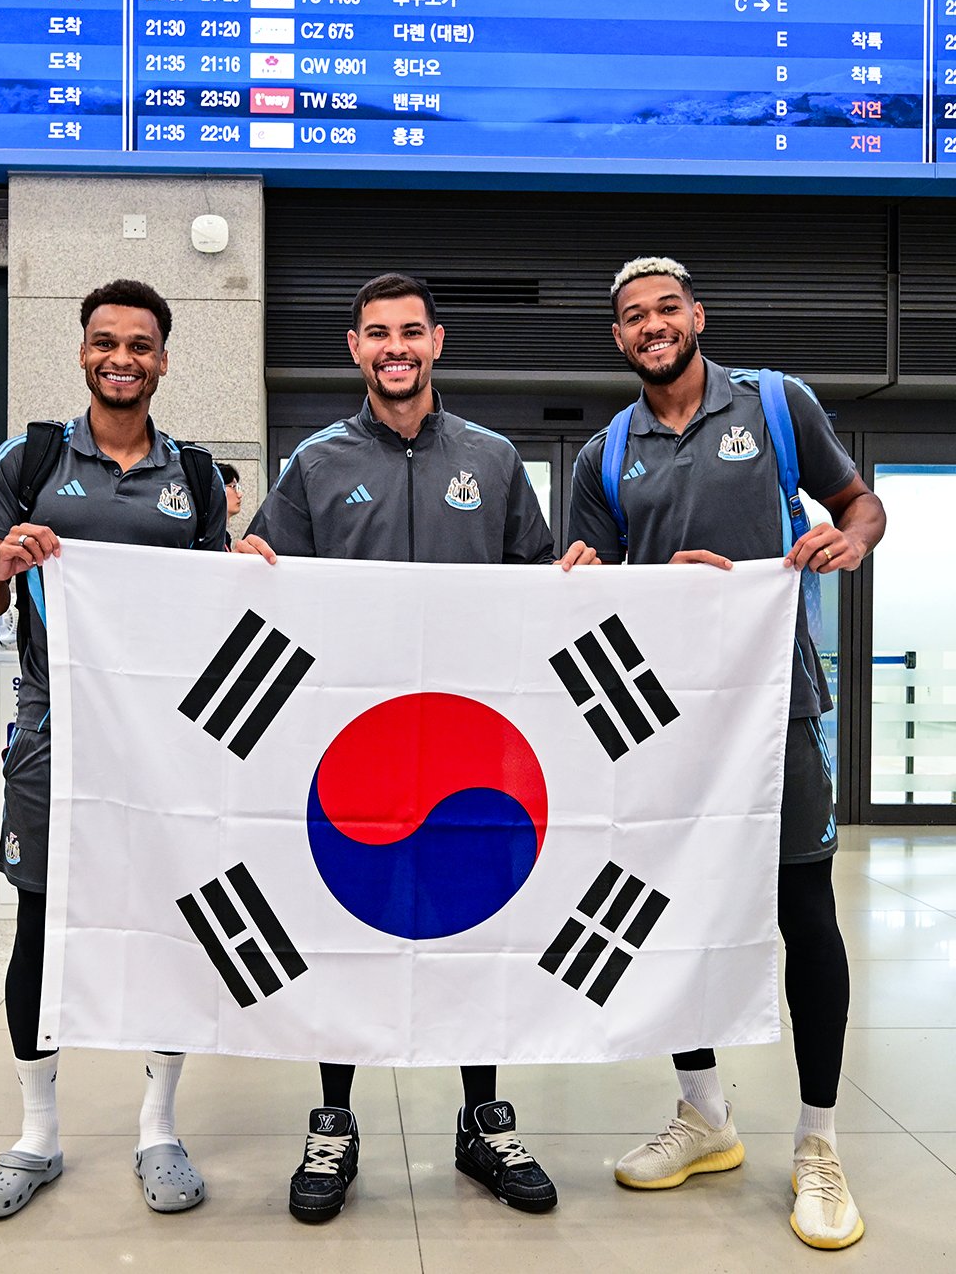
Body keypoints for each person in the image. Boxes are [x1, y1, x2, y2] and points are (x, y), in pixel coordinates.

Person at [238, 271, 595, 1223]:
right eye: (377, 333)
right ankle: (334, 1123)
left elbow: (535, 589)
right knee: (346, 921)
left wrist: (573, 578)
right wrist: (248, 566)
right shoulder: (313, 464)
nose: (394, 348)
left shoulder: (493, 458)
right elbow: (268, 588)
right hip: (353, 748)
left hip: (469, 752)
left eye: (410, 332)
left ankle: (483, 1121)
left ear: (437, 342)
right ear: (354, 348)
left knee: (474, 922)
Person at [568, 257, 886, 1251]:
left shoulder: (777, 406)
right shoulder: (603, 454)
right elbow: (590, 591)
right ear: (619, 338)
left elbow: (860, 504)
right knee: (668, 917)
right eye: (633, 316)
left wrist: (852, 538)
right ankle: (705, 1114)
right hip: (658, 725)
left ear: (697, 316)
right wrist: (629, 576)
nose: (652, 325)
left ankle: (819, 1142)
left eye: (667, 308)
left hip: (776, 708)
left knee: (805, 916)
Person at [0, 279, 228, 1219]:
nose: (122, 358)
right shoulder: (28, 459)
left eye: (140, 345)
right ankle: (37, 1136)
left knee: (168, 922)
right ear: (82, 352)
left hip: (163, 740)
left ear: (163, 361)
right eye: (106, 342)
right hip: (53, 732)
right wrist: (2, 562)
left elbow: (215, 610)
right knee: (40, 924)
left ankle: (159, 1128)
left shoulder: (196, 477)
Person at [218, 462, 242, 547]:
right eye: (233, 487)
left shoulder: (224, 537)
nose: (240, 494)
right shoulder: (209, 538)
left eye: (238, 487)